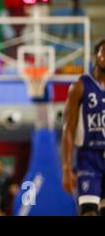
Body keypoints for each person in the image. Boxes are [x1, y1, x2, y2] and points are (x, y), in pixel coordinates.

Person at [62, 39, 105, 216]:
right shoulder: (80, 86)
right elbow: (68, 128)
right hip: (89, 157)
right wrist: (66, 167)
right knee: (88, 212)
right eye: (104, 52)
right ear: (97, 55)